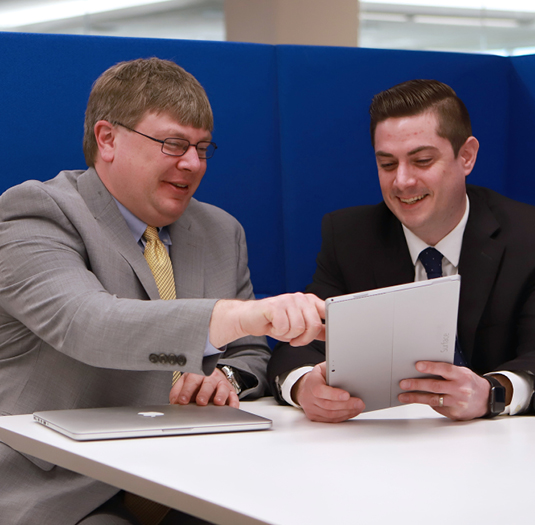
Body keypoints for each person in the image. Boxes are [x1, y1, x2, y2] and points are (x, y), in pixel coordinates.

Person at [0, 58, 324, 524]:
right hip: (66, 486)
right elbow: (89, 325)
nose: (192, 163)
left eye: (202, 148)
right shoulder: (37, 211)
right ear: (107, 139)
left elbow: (250, 352)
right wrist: (237, 316)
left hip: (197, 472)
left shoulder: (220, 231)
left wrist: (225, 380)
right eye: (173, 144)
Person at [268, 78, 535, 424]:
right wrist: (303, 386)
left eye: (422, 160)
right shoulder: (350, 236)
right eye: (388, 164)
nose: (402, 182)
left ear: (466, 156)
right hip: (383, 448)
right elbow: (298, 345)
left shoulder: (526, 236)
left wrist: (493, 393)